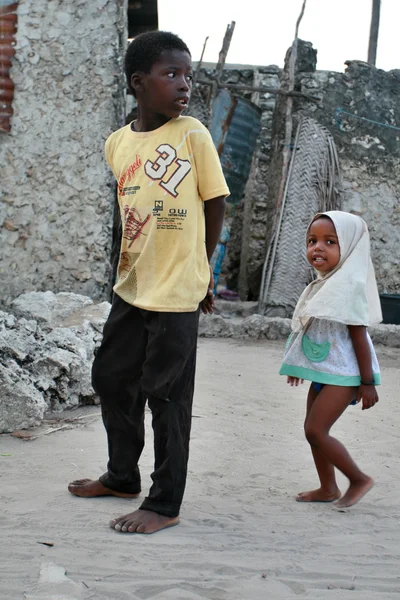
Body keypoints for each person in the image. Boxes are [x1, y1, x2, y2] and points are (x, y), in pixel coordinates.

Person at [68, 31, 229, 534]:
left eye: (187, 75)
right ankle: (121, 476)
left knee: (167, 396)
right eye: (171, 74)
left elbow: (215, 203)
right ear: (140, 83)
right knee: (112, 379)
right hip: (132, 286)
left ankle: (163, 505)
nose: (183, 85)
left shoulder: (193, 135)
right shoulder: (117, 143)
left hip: (178, 290)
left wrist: (202, 273)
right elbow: (126, 213)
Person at [279, 211, 382, 508]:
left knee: (316, 430)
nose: (318, 248)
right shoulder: (324, 284)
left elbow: (360, 338)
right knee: (311, 431)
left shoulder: (348, 288)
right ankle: (328, 488)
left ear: (347, 248)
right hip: (326, 372)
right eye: (312, 241)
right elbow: (311, 329)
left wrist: (367, 383)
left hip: (347, 374)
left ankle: (359, 478)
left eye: (329, 241)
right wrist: (300, 365)